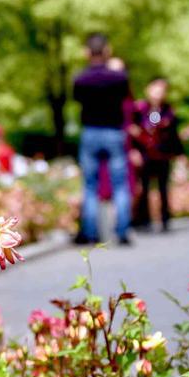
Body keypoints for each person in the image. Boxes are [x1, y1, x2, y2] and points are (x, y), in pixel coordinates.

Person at [71, 34, 132, 244]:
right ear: (107, 51)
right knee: (120, 185)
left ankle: (90, 232)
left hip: (90, 132)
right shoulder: (119, 78)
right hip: (114, 132)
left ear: (87, 52)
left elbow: (77, 98)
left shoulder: (80, 79)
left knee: (89, 185)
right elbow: (125, 95)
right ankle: (122, 231)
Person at [129, 76, 183, 231]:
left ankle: (165, 219)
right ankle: (143, 220)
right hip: (145, 155)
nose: (158, 93)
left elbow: (172, 134)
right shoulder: (139, 109)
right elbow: (133, 131)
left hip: (162, 154)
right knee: (143, 188)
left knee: (163, 188)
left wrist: (179, 154)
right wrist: (133, 150)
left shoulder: (167, 111)